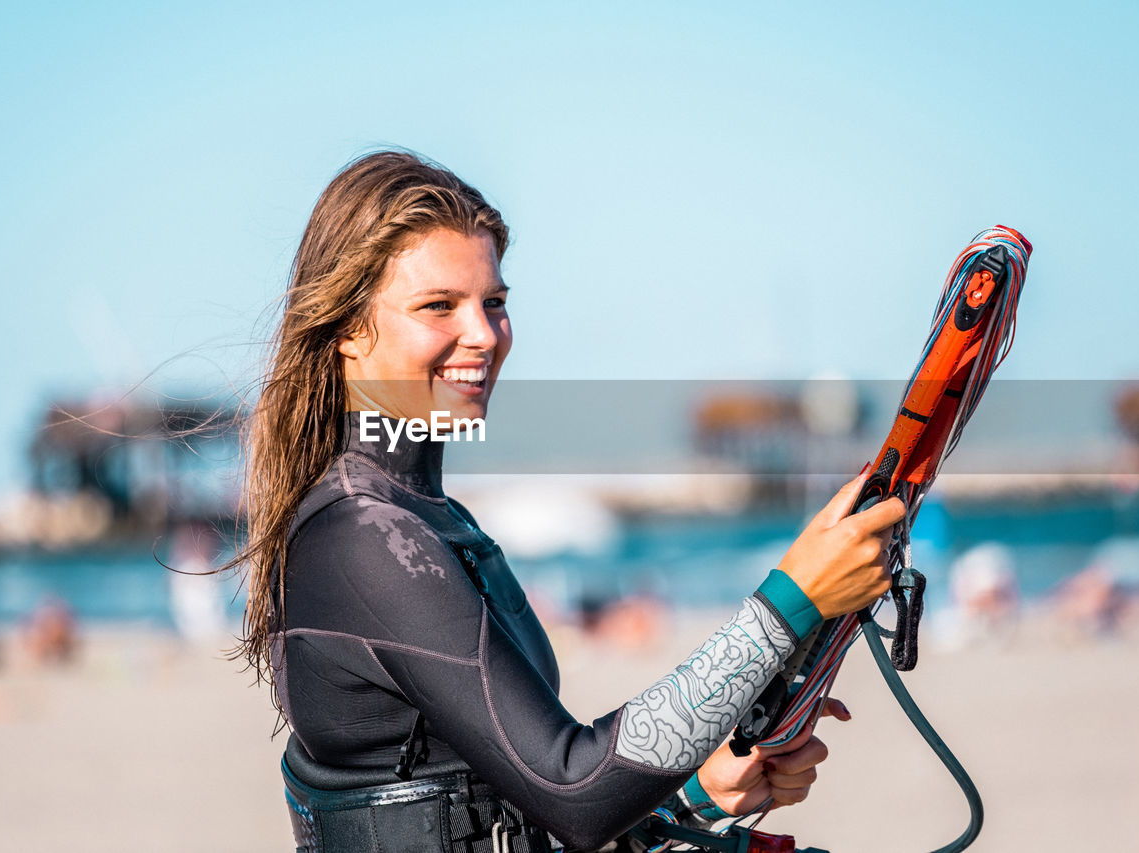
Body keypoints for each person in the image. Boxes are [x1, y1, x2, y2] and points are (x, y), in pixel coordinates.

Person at [235, 151, 905, 852]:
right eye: (439, 306)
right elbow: (574, 791)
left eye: (494, 302)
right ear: (346, 328)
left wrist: (699, 792)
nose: (484, 334)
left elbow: (537, 809)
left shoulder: (427, 519)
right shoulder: (362, 539)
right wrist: (790, 600)